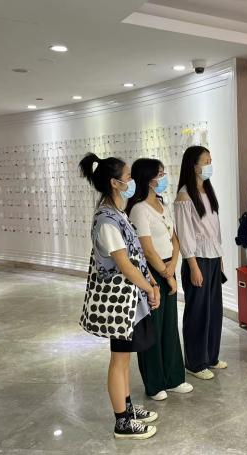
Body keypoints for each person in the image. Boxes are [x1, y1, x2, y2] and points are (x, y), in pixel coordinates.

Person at [78, 152, 160, 440]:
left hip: (129, 301)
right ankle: (122, 421)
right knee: (119, 359)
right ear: (115, 183)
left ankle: (127, 409)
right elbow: (124, 265)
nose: (132, 181)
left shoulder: (117, 214)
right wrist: (149, 287)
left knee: (124, 359)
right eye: (128, 177)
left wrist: (150, 281)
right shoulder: (106, 220)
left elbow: (135, 256)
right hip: (120, 303)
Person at [126, 158, 193, 401]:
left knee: (169, 326)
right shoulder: (139, 209)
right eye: (160, 174)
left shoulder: (162, 204)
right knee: (152, 327)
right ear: (148, 179)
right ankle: (154, 384)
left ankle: (173, 378)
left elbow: (174, 238)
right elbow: (147, 249)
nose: (164, 178)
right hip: (152, 271)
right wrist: (166, 274)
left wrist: (173, 266)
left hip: (167, 267)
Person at [174, 146, 226, 380]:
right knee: (197, 312)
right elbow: (185, 235)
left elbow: (215, 229)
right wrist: (194, 267)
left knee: (214, 310)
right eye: (206, 161)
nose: (209, 165)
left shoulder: (208, 191)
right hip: (197, 259)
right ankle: (195, 363)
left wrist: (220, 258)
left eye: (210, 160)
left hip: (213, 257)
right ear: (194, 166)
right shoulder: (184, 196)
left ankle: (211, 357)